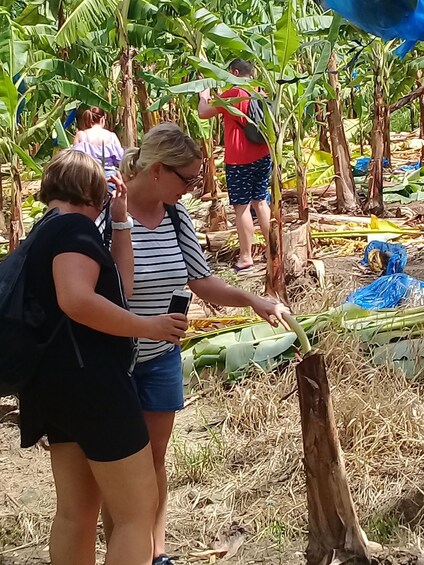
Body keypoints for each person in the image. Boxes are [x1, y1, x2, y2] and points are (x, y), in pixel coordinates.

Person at [107, 123, 289, 565]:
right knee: (117, 468)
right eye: (187, 179)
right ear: (155, 170)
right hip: (110, 361)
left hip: (161, 358)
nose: (192, 189)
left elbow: (200, 280)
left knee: (154, 460)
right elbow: (98, 289)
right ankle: (122, 552)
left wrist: (252, 300)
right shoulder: (106, 211)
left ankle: (157, 551)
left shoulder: (175, 215)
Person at [18, 149, 188, 565]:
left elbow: (119, 286)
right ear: (90, 190)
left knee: (75, 513)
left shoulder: (45, 231)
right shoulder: (74, 230)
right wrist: (149, 327)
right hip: (94, 385)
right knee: (136, 512)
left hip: (53, 386)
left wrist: (119, 219)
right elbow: (76, 299)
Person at [198, 58, 272, 272]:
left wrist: (204, 96)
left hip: (240, 159)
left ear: (235, 72)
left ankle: (246, 256)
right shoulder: (260, 90)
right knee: (260, 201)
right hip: (263, 154)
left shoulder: (234, 94)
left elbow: (204, 113)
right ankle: (272, 250)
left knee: (241, 207)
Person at [73, 106, 124, 184]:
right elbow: (121, 160)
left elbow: (75, 161)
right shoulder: (112, 136)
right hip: (110, 178)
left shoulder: (81, 135)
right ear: (102, 119)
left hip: (89, 178)